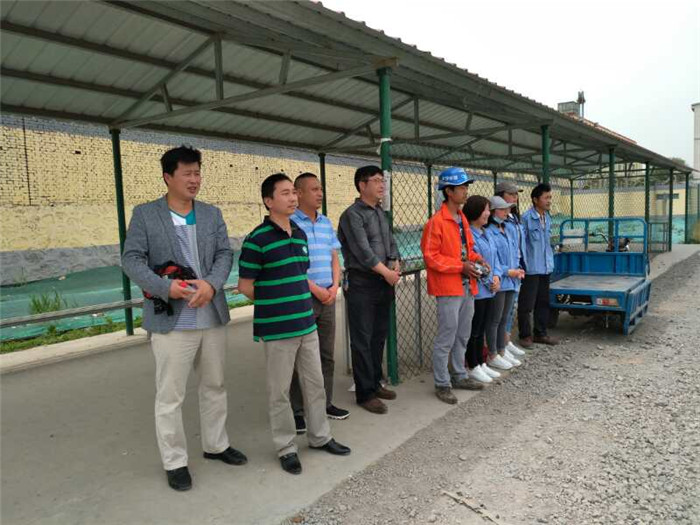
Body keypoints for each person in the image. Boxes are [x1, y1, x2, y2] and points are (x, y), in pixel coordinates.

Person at [122, 145, 246, 492]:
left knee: (214, 385)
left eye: (197, 173)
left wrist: (212, 283)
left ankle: (216, 445)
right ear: (168, 177)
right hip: (172, 320)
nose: (195, 179)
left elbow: (224, 254)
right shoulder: (146, 215)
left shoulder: (211, 213)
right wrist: (165, 287)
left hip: (210, 314)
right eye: (187, 173)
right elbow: (131, 259)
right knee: (170, 394)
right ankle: (175, 461)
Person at [237, 173, 351, 475]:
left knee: (315, 384)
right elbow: (245, 286)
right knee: (279, 392)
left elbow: (300, 274)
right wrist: (276, 302)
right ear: (268, 201)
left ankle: (320, 436)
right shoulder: (257, 239)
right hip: (278, 329)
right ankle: (286, 447)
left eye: (293, 192)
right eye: (285, 193)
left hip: (306, 323)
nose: (292, 198)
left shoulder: (299, 234)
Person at [289, 173, 349, 434]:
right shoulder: (290, 223)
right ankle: (297, 411)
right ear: (299, 193)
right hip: (303, 298)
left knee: (326, 354)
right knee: (297, 357)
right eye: (314, 189)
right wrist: (315, 289)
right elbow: (292, 265)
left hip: (328, 296)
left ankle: (325, 403)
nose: (320, 193)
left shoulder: (325, 222)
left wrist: (334, 286)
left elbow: (334, 256)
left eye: (320, 188)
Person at [420, 167, 486, 405]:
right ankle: (442, 383)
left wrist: (478, 260)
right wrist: (461, 266)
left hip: (467, 285)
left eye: (466, 186)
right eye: (462, 187)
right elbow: (430, 257)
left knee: (462, 334)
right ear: (448, 191)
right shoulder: (436, 222)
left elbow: (467, 249)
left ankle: (459, 375)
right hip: (449, 287)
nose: (466, 191)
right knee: (447, 336)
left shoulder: (461, 218)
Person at [338, 165, 400, 415]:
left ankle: (375, 382)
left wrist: (395, 262)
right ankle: (365, 393)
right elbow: (363, 251)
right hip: (362, 282)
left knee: (378, 336)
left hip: (383, 282)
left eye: (382, 180)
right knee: (362, 338)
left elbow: (391, 242)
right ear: (362, 185)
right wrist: (387, 272)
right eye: (376, 180)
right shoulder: (352, 215)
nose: (381, 185)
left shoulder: (380, 213)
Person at [463, 195, 505, 382]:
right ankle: (472, 365)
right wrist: (490, 281)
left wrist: (497, 277)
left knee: (481, 328)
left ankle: (481, 362)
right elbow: (476, 265)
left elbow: (495, 261)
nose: (489, 213)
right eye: (486, 210)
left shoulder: (487, 233)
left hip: (490, 289)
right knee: (475, 329)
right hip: (479, 290)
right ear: (476, 212)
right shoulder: (470, 235)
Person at [485, 196, 526, 370]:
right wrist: (507, 272)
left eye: (507, 209)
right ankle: (492, 353)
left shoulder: (507, 229)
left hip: (512, 280)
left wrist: (518, 269)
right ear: (493, 212)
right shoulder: (489, 232)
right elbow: (492, 260)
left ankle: (502, 350)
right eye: (502, 209)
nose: (506, 212)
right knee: (495, 319)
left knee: (504, 318)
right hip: (501, 280)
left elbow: (514, 253)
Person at [517, 183, 559, 347]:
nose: (549, 201)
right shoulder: (526, 219)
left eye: (550, 197)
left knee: (543, 301)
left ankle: (540, 333)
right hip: (531, 268)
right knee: (527, 304)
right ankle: (525, 335)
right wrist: (522, 265)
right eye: (546, 197)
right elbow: (521, 244)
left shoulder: (547, 217)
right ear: (535, 199)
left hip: (545, 267)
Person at [495, 181, 527, 358]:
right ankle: (499, 346)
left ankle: (506, 342)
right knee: (500, 313)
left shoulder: (514, 218)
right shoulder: (498, 221)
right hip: (505, 271)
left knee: (511, 309)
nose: (515, 198)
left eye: (516, 195)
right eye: (511, 194)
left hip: (517, 267)